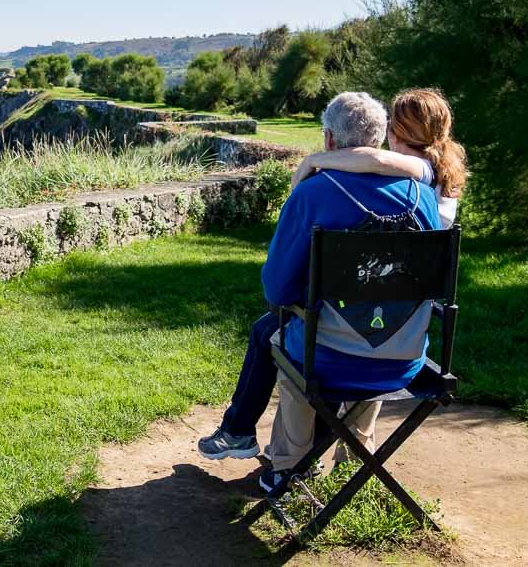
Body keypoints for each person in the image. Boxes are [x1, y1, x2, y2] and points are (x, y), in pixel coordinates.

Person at [198, 92, 443, 493]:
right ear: (380, 140)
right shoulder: (423, 197)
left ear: (329, 140)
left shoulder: (313, 193)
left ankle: (290, 467)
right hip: (403, 358)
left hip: (327, 359)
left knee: (292, 335)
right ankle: (356, 459)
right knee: (374, 320)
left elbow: (276, 288)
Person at [290, 88, 467, 228]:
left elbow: (378, 161)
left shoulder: (425, 168)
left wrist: (313, 160)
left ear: (395, 135)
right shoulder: (438, 166)